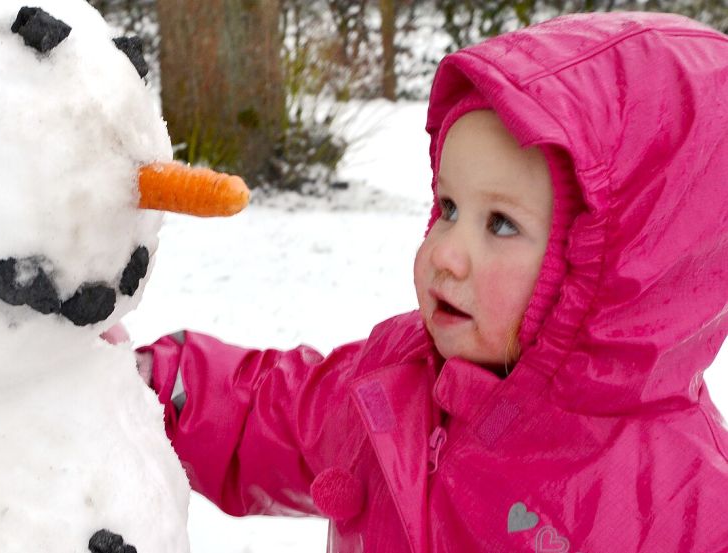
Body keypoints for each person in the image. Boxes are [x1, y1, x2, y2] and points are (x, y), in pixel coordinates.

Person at [136, 12, 728, 552]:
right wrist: (140, 386)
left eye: (500, 224)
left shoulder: (682, 498)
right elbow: (271, 414)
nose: (445, 253)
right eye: (448, 207)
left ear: (611, 269)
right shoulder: (400, 380)